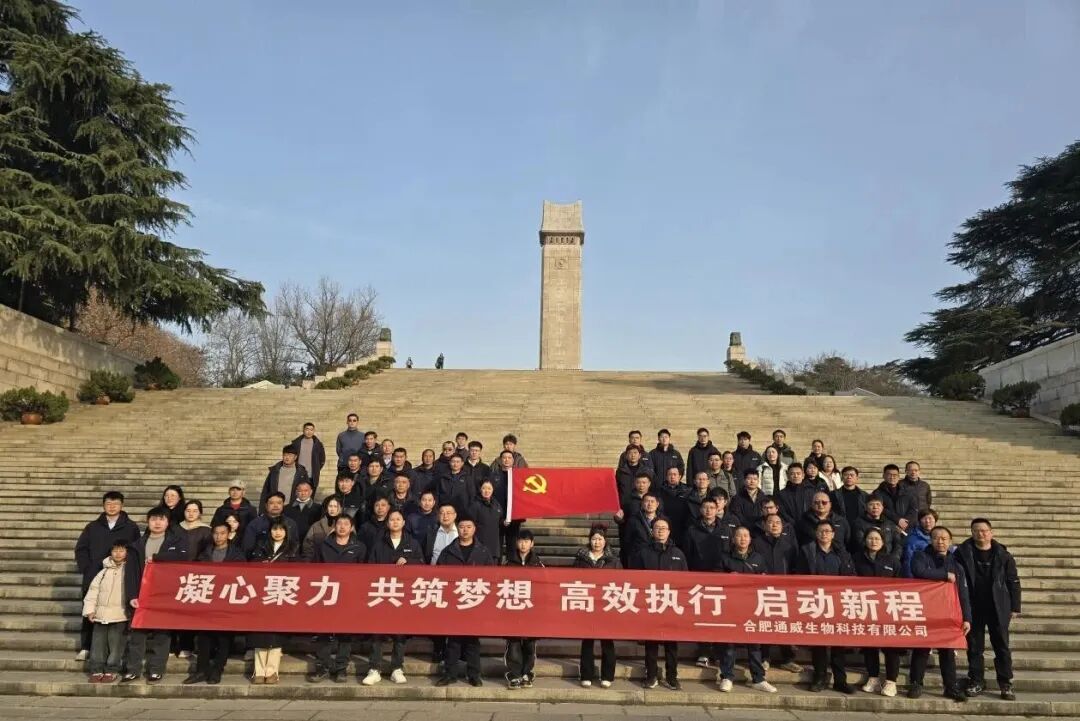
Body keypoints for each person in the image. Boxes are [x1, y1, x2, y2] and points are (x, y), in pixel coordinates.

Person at [121, 506, 188, 684]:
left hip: (164, 595)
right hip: (141, 595)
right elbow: (131, 573)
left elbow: (183, 558)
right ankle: (133, 670)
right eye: (153, 519)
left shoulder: (176, 541)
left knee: (162, 635)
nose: (157, 523)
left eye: (161, 519)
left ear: (167, 522)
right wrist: (131, 596)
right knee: (137, 635)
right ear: (148, 521)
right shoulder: (137, 545)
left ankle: (156, 670)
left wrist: (158, 557)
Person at [957, 518, 1021, 701]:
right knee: (974, 647)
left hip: (998, 606)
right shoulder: (962, 553)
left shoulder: (1003, 555)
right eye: (976, 530)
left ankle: (1005, 683)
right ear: (972, 532)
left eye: (984, 530)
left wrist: (1015, 606)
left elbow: (1013, 581)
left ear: (991, 532)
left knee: (1001, 646)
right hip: (973, 607)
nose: (980, 534)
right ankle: (976, 680)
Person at [74, 491, 140, 662]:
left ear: (122, 506)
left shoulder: (131, 527)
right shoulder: (92, 527)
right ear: (103, 505)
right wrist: (87, 568)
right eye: (108, 503)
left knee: (118, 612)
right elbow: (81, 549)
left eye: (115, 503)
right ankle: (86, 646)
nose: (112, 507)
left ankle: (115, 651)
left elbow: (135, 551)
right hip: (95, 574)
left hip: (120, 575)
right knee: (90, 609)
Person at [908, 526, 971, 702]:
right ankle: (916, 683)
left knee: (947, 651)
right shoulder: (920, 556)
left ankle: (950, 687)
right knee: (921, 649)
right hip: (925, 611)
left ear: (950, 542)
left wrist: (967, 618)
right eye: (936, 538)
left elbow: (963, 593)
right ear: (930, 540)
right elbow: (919, 572)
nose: (940, 541)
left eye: (944, 538)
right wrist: (945, 575)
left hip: (948, 614)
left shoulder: (957, 564)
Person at [435, 516, 496, 686]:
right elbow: (439, 576)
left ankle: (474, 674)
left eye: (469, 527)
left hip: (474, 602)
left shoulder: (483, 552)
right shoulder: (448, 551)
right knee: (453, 641)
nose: (465, 530)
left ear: (474, 529)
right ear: (458, 528)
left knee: (472, 641)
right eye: (462, 527)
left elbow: (491, 577)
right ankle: (450, 674)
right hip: (453, 602)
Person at [796, 521, 855, 694]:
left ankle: (840, 680)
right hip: (816, 602)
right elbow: (799, 575)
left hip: (838, 602)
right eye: (821, 531)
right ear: (816, 533)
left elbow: (851, 575)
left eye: (828, 531)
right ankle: (819, 678)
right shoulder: (807, 551)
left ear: (833, 534)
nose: (824, 534)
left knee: (838, 643)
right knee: (819, 643)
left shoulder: (842, 553)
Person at [717, 527, 776, 693]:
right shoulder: (725, 557)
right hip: (731, 606)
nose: (742, 539)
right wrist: (727, 578)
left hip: (752, 606)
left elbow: (766, 579)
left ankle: (758, 678)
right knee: (729, 644)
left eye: (745, 536)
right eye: (739, 536)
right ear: (733, 539)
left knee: (754, 644)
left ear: (750, 539)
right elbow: (714, 579)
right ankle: (727, 677)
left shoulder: (758, 558)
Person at [364, 510, 421, 685]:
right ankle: (374, 668)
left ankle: (397, 667)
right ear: (387, 523)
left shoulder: (412, 543)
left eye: (398, 519)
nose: (395, 522)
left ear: (403, 522)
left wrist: (409, 562)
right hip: (382, 593)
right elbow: (370, 567)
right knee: (377, 632)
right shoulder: (379, 543)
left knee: (400, 632)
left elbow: (422, 565)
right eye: (392, 519)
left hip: (403, 594)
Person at [308, 515, 366, 683]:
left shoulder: (359, 547)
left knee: (345, 634)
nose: (342, 526)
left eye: (346, 524)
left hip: (349, 596)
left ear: (351, 527)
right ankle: (323, 667)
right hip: (326, 594)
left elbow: (365, 572)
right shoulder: (323, 545)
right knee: (323, 633)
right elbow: (314, 568)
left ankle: (341, 669)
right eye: (339, 523)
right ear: (334, 526)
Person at [186, 523, 246, 685]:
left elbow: (242, 575)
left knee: (224, 638)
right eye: (216, 533)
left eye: (222, 533)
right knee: (204, 637)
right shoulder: (204, 553)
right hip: (208, 600)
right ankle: (201, 670)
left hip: (227, 600)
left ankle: (217, 670)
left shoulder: (237, 554)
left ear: (229, 534)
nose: (219, 537)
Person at [630, 517, 686, 690]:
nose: (660, 530)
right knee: (651, 643)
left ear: (669, 532)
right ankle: (651, 676)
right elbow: (635, 578)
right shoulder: (643, 553)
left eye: (664, 528)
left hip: (671, 604)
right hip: (651, 603)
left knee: (671, 644)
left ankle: (672, 677)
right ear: (652, 531)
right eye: (657, 528)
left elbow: (686, 580)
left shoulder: (678, 554)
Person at [853, 528, 902, 697]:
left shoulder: (892, 560)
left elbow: (901, 584)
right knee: (870, 645)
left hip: (888, 608)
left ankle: (891, 681)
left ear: (883, 542)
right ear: (865, 540)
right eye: (870, 538)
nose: (873, 541)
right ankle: (873, 677)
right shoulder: (856, 559)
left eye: (877, 539)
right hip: (867, 607)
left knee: (891, 647)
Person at [249, 520, 298, 685]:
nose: (277, 532)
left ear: (286, 531)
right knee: (259, 633)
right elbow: (251, 564)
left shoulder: (293, 548)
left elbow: (298, 569)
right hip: (262, 593)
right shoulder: (260, 546)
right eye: (274, 529)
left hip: (281, 593)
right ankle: (259, 670)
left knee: (275, 634)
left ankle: (271, 671)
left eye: (281, 529)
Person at [751, 514, 801, 673]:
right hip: (762, 590)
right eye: (771, 522)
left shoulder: (789, 545)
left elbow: (795, 567)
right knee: (764, 623)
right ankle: (765, 657)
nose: (774, 525)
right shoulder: (756, 543)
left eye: (778, 522)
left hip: (784, 591)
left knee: (783, 624)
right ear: (764, 525)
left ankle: (788, 659)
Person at [575, 524, 617, 688]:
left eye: (600, 539)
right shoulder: (581, 558)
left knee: (607, 642)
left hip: (606, 604)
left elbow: (620, 581)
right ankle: (586, 674)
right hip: (587, 603)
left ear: (605, 541)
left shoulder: (613, 560)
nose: (597, 542)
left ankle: (607, 676)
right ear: (589, 540)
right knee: (587, 641)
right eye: (594, 539)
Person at [82, 541, 129, 683]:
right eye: (115, 551)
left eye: (121, 550)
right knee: (98, 645)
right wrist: (90, 610)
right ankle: (96, 670)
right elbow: (93, 592)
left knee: (116, 646)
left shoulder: (129, 571)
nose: (118, 554)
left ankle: (112, 670)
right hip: (100, 615)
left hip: (120, 615)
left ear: (127, 552)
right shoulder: (103, 572)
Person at [504, 530, 543, 689]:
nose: (523, 544)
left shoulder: (538, 564)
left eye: (527, 541)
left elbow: (544, 587)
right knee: (513, 644)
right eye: (521, 541)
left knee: (529, 645)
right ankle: (514, 674)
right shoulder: (508, 563)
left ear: (532, 543)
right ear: (516, 543)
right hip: (513, 609)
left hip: (531, 611)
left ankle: (527, 672)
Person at [242, 493, 299, 557]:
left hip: (286, 560)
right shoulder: (255, 524)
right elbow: (247, 547)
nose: (275, 506)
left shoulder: (291, 523)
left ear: (283, 505)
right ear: (266, 505)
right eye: (271, 503)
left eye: (279, 503)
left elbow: (295, 546)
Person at [259, 444, 311, 510]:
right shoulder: (275, 471)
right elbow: (265, 490)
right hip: (276, 507)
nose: (287, 457)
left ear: (295, 457)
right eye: (285, 455)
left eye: (290, 455)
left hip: (294, 507)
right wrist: (262, 510)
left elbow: (307, 492)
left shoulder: (301, 473)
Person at [874, 463, 917, 535]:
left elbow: (913, 509)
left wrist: (905, 522)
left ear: (899, 477)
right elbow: (881, 510)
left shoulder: (907, 492)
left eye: (895, 475)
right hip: (886, 528)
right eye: (889, 475)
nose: (892, 477)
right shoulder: (877, 493)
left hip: (906, 528)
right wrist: (898, 520)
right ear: (883, 476)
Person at [470, 479, 505, 560]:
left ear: (493, 490)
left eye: (489, 488)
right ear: (480, 489)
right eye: (484, 488)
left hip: (494, 546)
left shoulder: (496, 504)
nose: (487, 491)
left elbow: (500, 519)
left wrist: (504, 522)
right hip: (480, 545)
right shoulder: (475, 505)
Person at [302, 495, 343, 560]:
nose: (332, 509)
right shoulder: (316, 525)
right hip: (319, 562)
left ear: (341, 508)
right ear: (326, 508)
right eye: (330, 506)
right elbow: (307, 545)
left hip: (340, 562)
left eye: (335, 506)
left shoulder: (347, 525)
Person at [830, 467, 868, 533]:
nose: (849, 477)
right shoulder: (833, 494)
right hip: (840, 527)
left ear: (857, 478)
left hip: (859, 528)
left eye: (852, 475)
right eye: (846, 475)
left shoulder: (864, 495)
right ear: (842, 478)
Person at [902, 509, 938, 577]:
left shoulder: (940, 536)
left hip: (936, 575)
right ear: (919, 521)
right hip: (919, 576)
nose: (927, 521)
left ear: (935, 520)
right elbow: (908, 560)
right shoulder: (913, 539)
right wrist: (910, 578)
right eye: (924, 518)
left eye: (930, 518)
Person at [291, 422, 326, 492]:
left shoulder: (318, 444)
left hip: (312, 475)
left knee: (310, 495)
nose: (309, 432)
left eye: (311, 430)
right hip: (298, 474)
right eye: (307, 429)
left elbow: (322, 459)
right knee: (297, 494)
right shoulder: (296, 443)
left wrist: (316, 468)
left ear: (314, 431)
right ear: (303, 430)